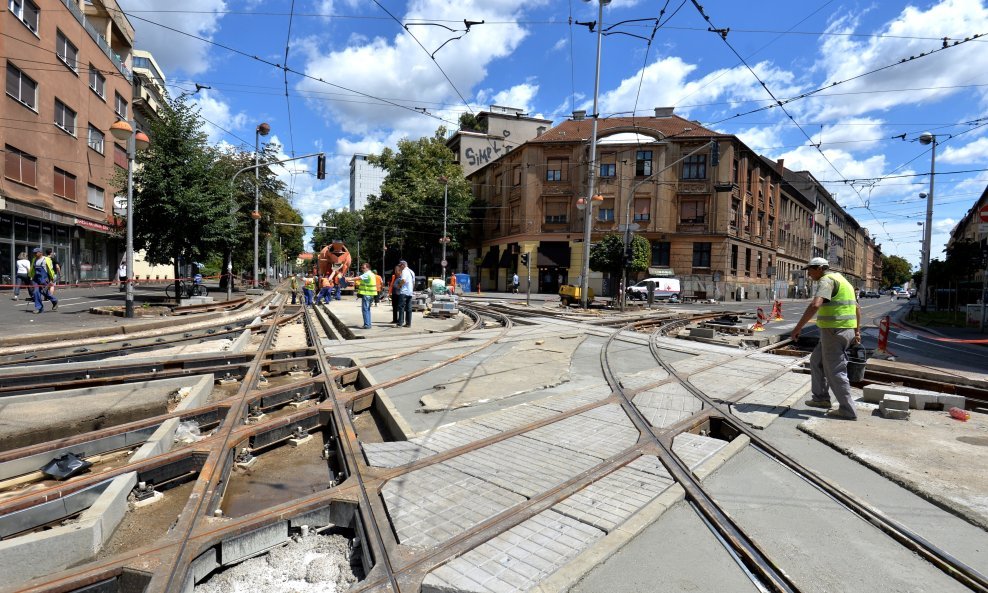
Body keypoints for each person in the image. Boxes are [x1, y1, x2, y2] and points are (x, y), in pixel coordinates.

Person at [791, 257, 862, 420]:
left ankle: (847, 409)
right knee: (816, 361)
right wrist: (857, 332)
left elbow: (815, 305)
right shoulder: (843, 280)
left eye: (810, 269)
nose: (808, 273)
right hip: (843, 330)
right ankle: (821, 398)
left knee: (835, 370)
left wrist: (797, 328)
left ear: (821, 268)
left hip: (834, 332)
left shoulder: (826, 280)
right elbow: (858, 309)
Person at [31, 247, 58, 314]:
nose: (34, 254)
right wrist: (31, 277)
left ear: (40, 253)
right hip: (36, 279)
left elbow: (50, 270)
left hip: (43, 278)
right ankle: (39, 308)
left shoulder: (47, 259)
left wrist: (52, 278)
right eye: (34, 253)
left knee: (44, 292)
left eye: (36, 253)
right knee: (36, 292)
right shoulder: (34, 259)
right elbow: (32, 269)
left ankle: (54, 301)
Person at [395, 260, 415, 327]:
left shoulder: (404, 271)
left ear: (403, 265)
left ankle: (400, 322)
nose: (399, 267)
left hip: (404, 292)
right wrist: (411, 290)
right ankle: (408, 323)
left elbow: (403, 280)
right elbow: (413, 283)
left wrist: (399, 285)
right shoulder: (412, 272)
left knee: (401, 307)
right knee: (409, 308)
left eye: (400, 266)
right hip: (410, 292)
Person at [356, 262, 376, 329]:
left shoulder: (367, 274)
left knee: (365, 310)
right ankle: (368, 324)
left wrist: (347, 279)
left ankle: (367, 325)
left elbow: (358, 278)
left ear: (368, 268)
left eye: (363, 268)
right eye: (362, 268)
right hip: (371, 295)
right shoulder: (372, 274)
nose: (362, 269)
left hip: (367, 294)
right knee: (368, 309)